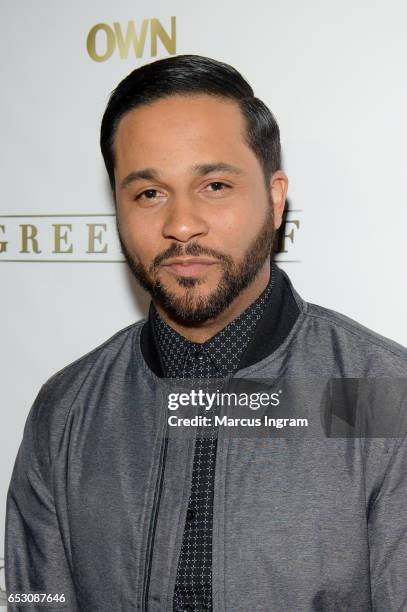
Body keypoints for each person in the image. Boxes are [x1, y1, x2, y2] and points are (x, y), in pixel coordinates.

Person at [5, 55, 407, 612]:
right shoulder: (67, 411)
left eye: (214, 185)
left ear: (273, 197)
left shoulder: (382, 397)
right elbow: (37, 601)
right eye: (149, 193)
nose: (181, 224)